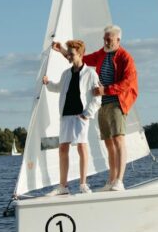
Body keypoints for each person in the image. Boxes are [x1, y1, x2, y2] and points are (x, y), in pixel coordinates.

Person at [53, 24, 137, 191]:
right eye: (105, 39)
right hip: (102, 102)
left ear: (118, 40)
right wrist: (63, 51)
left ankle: (119, 180)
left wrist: (106, 89)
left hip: (117, 101)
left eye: (109, 39)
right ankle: (111, 180)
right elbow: (81, 58)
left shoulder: (125, 57)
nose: (106, 41)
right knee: (108, 142)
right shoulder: (101, 54)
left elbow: (128, 82)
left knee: (118, 139)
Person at [42, 39, 101, 195]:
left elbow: (97, 97)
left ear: (80, 54)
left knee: (82, 147)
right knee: (63, 148)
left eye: (72, 54)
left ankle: (83, 184)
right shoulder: (66, 73)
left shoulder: (90, 73)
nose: (69, 56)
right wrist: (47, 83)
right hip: (66, 115)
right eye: (68, 53)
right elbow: (58, 88)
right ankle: (63, 186)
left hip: (81, 115)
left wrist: (88, 113)